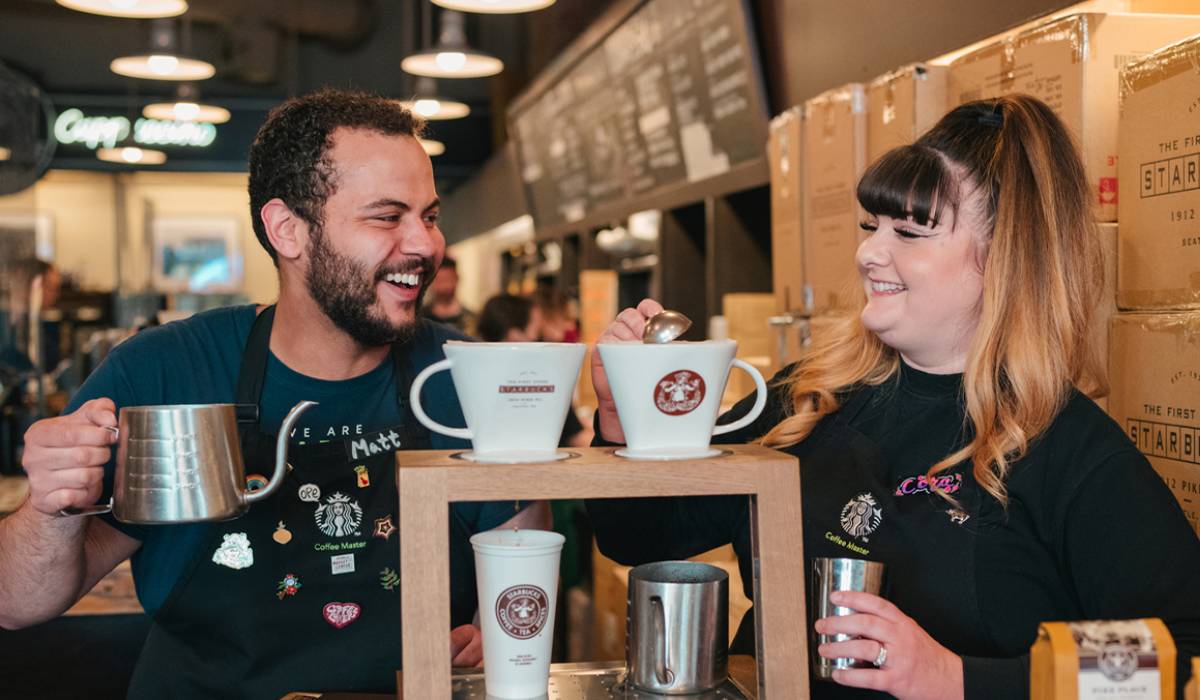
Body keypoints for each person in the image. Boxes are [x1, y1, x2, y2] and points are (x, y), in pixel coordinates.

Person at [586, 95, 1200, 699]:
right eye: (870, 225)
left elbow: (1179, 656)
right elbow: (640, 538)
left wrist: (958, 679)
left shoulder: (1069, 450)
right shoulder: (808, 401)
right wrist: (622, 417)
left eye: (908, 231)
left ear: (1006, 258)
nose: (868, 252)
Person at [0, 89, 543, 698]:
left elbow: (523, 582)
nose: (425, 245)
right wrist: (51, 508)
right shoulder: (165, 372)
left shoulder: (469, 380)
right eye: (388, 217)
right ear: (288, 230)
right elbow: (16, 603)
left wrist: (494, 640)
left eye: (431, 215)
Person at [476, 293, 589, 447]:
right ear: (515, 336)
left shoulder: (474, 379)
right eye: (537, 332)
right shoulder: (540, 381)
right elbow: (578, 439)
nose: (543, 340)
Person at [422, 256, 477, 334]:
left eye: (448, 279)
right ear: (430, 281)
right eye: (439, 280)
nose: (444, 286)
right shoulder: (419, 318)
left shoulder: (472, 320)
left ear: (457, 279)